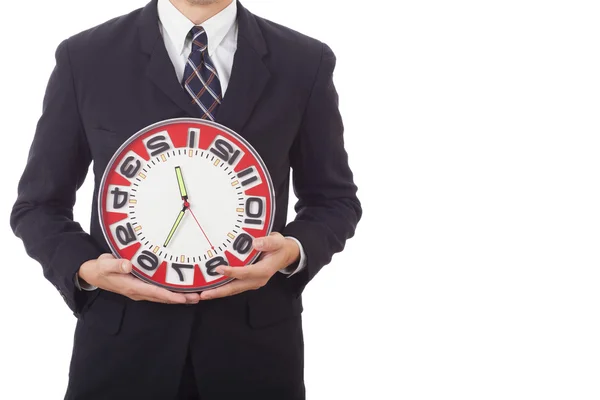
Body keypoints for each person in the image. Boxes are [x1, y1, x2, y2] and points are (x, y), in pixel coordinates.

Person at [10, 0, 361, 398]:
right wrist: (84, 268)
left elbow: (334, 199)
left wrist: (293, 251)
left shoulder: (303, 61)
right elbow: (38, 206)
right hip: (121, 355)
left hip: (256, 359)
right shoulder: (86, 57)